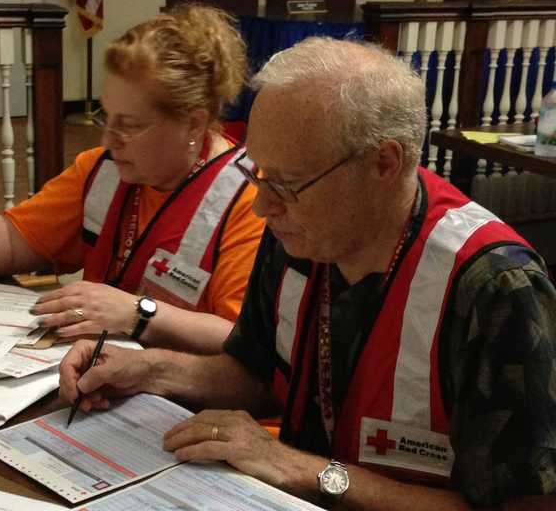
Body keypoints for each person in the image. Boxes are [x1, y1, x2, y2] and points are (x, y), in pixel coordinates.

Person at [58, 37, 556, 509]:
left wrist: (312, 471)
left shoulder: (493, 286)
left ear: (384, 163)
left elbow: (524, 507)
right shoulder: (302, 229)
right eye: (259, 174)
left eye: (289, 183)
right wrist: (148, 371)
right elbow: (257, 374)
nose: (261, 207)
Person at [0, 4, 265, 354]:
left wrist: (139, 313)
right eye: (105, 115)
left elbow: (245, 343)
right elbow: (13, 237)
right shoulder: (103, 168)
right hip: (102, 369)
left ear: (193, 124)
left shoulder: (250, 201)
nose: (108, 139)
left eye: (130, 125)